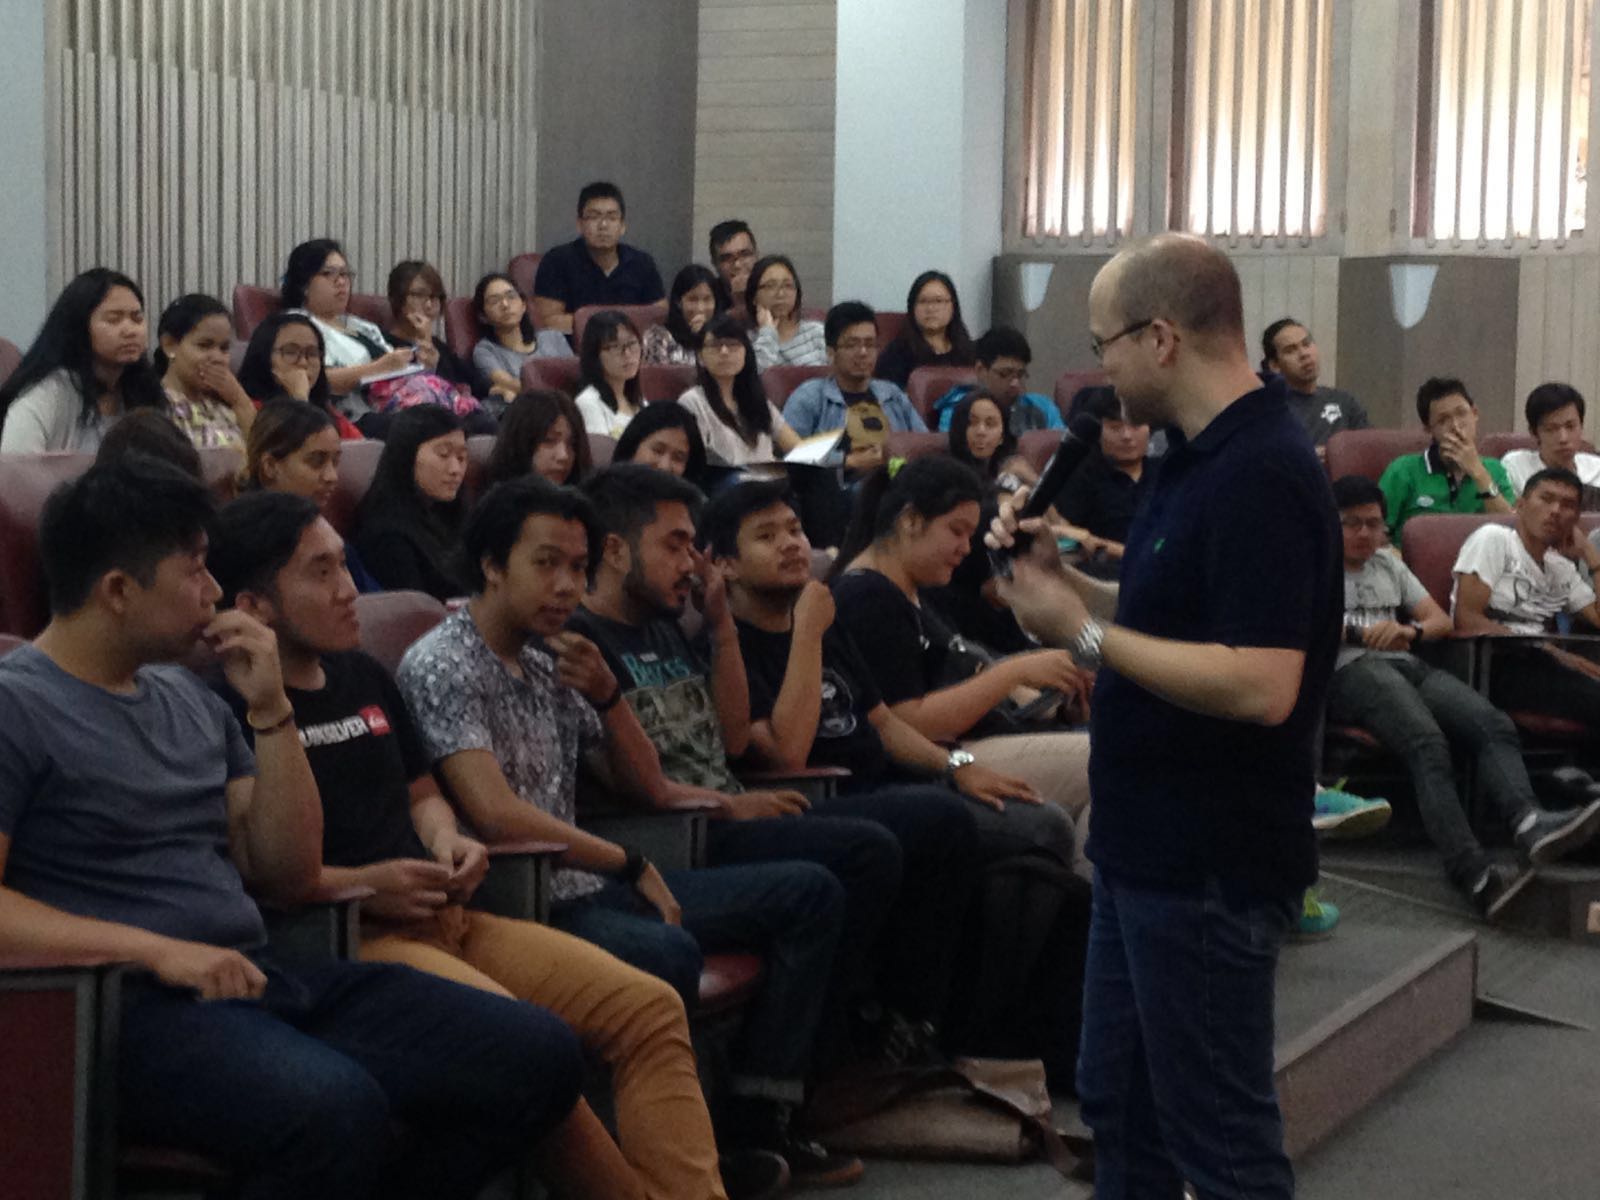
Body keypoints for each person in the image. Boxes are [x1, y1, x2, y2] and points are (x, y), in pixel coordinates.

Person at [0, 454, 583, 1198]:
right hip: (122, 1012)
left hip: (258, 975)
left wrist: (272, 713)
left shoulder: (191, 699)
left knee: (538, 1057)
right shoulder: (15, 706)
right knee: (334, 1111)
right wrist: (159, 951)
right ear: (117, 590)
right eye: (196, 572)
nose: (215, 594)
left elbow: (284, 870)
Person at [206, 489, 753, 1200]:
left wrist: (445, 843)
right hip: (354, 938)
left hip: (450, 914)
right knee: (525, 1044)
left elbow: (422, 795)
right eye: (322, 574)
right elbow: (254, 869)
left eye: (346, 566)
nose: (350, 592)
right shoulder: (228, 704)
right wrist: (369, 881)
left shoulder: (363, 675)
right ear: (256, 605)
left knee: (648, 1008)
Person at [986, 233, 1342, 1200]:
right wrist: (1069, 591)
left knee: (1220, 1142)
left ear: (1161, 338)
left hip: (1212, 859)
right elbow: (1169, 619)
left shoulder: (1262, 469)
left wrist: (1081, 637)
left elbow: (1260, 683)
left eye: (1105, 344)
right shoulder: (1192, 459)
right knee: (1123, 1109)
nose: (1097, 368)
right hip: (1148, 847)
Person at [394, 476, 862, 1187]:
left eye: (578, 569)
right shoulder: (444, 663)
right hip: (519, 895)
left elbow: (646, 785)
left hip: (589, 882)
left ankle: (755, 1120)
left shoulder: (557, 653)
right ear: (492, 565)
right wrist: (629, 862)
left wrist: (610, 695)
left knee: (809, 892)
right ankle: (637, 1169)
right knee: (663, 952)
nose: (565, 585)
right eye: (545, 563)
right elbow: (493, 813)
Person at [571, 466, 978, 1067]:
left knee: (933, 823)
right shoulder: (585, 645)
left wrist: (718, 628)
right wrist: (728, 802)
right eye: (675, 546)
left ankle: (887, 1032)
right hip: (681, 831)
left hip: (728, 810)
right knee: (867, 853)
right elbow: (649, 780)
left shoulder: (666, 623)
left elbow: (729, 737)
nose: (690, 563)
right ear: (613, 550)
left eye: (691, 546)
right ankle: (814, 1066)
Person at [703, 480, 1090, 1076]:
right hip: (831, 797)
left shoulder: (821, 615)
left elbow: (881, 721)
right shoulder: (739, 643)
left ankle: (998, 1023)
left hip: (890, 783)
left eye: (795, 530)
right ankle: (922, 1023)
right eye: (767, 536)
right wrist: (805, 634)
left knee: (1027, 818)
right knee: (963, 823)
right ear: (724, 565)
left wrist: (960, 767)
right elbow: (784, 752)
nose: (791, 545)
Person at [1329, 474, 1600, 915]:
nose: (1364, 533)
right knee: (1427, 743)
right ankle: (1471, 868)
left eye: (1373, 524)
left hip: (1409, 663)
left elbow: (1439, 621)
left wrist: (1406, 628)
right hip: (1350, 670)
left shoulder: (1389, 566)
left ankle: (1529, 822)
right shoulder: (1311, 564)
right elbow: (1304, 621)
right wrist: (1363, 631)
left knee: (1492, 724)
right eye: (1351, 523)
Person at [829, 455, 1091, 869]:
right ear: (911, 520)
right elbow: (906, 722)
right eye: (957, 531)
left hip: (978, 741)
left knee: (1110, 750)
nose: (966, 549)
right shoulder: (867, 598)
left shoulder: (917, 591)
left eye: (971, 534)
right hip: (937, 759)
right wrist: (1013, 673)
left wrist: (1055, 704)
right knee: (1104, 763)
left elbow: (965, 679)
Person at [282, 240, 490, 436]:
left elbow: (399, 374)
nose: (342, 282)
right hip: (357, 414)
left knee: (481, 421)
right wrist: (380, 367)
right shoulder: (296, 326)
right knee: (433, 427)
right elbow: (315, 380)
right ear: (304, 284)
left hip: (396, 403)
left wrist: (427, 364)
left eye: (345, 274)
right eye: (329, 273)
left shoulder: (359, 325)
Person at [1453, 466, 1600, 726]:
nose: (1555, 510)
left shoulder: (1561, 568)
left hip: (1543, 662)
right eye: (1546, 499)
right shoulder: (1493, 539)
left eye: (1567, 505)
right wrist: (1548, 650)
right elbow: (1467, 620)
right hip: (1496, 664)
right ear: (1520, 505)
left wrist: (1591, 556)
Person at [0, 267, 165, 453]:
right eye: (113, 320)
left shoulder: (146, 390)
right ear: (79, 328)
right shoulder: (50, 393)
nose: (130, 330)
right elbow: (14, 473)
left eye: (137, 318)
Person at [783, 302, 927, 477]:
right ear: (830, 352)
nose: (863, 352)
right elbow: (791, 453)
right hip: (840, 490)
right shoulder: (810, 396)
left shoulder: (893, 395)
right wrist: (847, 461)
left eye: (870, 344)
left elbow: (923, 444)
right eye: (852, 345)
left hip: (897, 481)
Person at [353, 406, 469, 600]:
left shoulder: (449, 514)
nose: (456, 469)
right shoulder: (387, 535)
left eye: (462, 457)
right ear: (407, 454)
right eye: (443, 454)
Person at [1379, 377, 1513, 543]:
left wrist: (1478, 473)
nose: (1456, 426)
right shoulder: (1403, 470)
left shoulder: (1495, 469)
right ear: (1428, 429)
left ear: (1475, 414)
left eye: (1462, 414)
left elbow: (1512, 534)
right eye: (1443, 420)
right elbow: (1376, 533)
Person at [533, 182, 666, 337]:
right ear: (579, 224)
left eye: (612, 217)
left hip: (631, 351)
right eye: (594, 217)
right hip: (574, 354)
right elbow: (547, 322)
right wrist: (614, 327)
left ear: (623, 226)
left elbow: (660, 317)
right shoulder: (556, 261)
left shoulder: (642, 263)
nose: (603, 225)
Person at [677, 315, 800, 468]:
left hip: (771, 485)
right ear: (700, 356)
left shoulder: (758, 401)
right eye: (715, 345)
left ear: (746, 353)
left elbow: (799, 449)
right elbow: (695, 464)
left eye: (733, 344)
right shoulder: (692, 402)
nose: (724, 351)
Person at [1053, 386, 1153, 573]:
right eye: (1115, 428)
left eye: (1136, 426)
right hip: (1109, 574)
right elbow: (1068, 537)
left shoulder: (1167, 472)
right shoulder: (1081, 476)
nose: (1127, 436)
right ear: (1097, 431)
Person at [153, 294, 257, 452]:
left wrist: (239, 401)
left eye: (224, 348)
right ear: (170, 345)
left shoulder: (226, 406)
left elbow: (264, 457)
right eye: (204, 346)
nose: (217, 358)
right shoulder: (155, 404)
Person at [236, 311, 363, 439]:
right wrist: (299, 399)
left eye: (312, 353)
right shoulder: (249, 409)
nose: (303, 362)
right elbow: (288, 451)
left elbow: (362, 450)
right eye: (291, 352)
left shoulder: (327, 413)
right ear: (264, 356)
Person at [930, 326, 1065, 434]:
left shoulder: (1043, 408)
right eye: (1005, 374)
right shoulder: (957, 412)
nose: (1015, 383)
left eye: (1020, 374)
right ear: (981, 370)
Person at [1260, 317, 1369, 450]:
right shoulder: (1271, 411)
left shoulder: (1344, 401)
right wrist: (1307, 458)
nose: (1304, 354)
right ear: (1275, 365)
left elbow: (1369, 450)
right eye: (1291, 350)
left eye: (1306, 344)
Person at [384, 260, 483, 399]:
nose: (429, 304)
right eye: (419, 295)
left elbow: (478, 385)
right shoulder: (384, 346)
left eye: (435, 297)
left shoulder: (438, 345)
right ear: (396, 298)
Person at [469, 271, 569, 406]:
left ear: (523, 305)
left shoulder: (553, 338)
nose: (505, 304)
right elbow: (509, 383)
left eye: (511, 297)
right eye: (494, 301)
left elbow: (575, 378)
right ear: (483, 316)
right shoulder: (485, 350)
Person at [1502, 382, 1600, 507]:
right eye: (1551, 429)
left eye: (1570, 426)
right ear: (1534, 432)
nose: (1563, 438)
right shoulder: (1516, 465)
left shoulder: (1597, 469)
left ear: (1581, 426)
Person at [873, 271, 976, 389]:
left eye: (938, 301)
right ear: (912, 308)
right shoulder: (896, 354)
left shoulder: (970, 352)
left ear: (953, 306)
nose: (931, 308)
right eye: (923, 301)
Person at [485, 389, 592, 487]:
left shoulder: (588, 501)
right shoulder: (496, 504)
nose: (563, 456)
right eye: (549, 440)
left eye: (572, 444)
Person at [746, 256, 826, 371]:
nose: (780, 294)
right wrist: (767, 333)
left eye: (788, 285)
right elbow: (757, 377)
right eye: (770, 286)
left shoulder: (817, 333)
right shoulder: (746, 341)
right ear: (754, 296)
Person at [575, 310, 645, 437]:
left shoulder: (640, 401)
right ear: (595, 356)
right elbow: (601, 454)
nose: (627, 354)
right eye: (615, 347)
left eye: (632, 343)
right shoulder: (589, 403)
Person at [613, 400, 711, 487]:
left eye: (678, 458)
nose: (664, 466)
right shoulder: (603, 498)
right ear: (633, 446)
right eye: (658, 450)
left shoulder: (692, 506)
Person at [643, 264, 726, 366]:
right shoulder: (658, 338)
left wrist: (706, 337)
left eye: (707, 299)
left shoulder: (726, 338)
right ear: (678, 302)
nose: (700, 308)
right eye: (693, 300)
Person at [709, 219, 759, 315]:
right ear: (715, 263)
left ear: (756, 255)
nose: (737, 265)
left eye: (745, 255)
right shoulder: (708, 297)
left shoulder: (770, 288)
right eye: (727, 259)